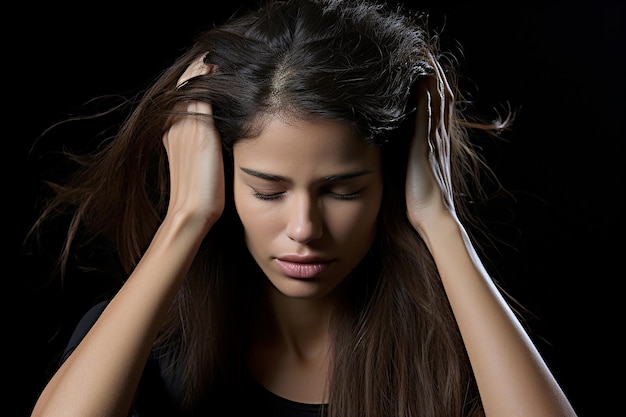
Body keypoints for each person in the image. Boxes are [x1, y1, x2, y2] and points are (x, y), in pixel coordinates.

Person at [27, 0, 578, 416]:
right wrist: (185, 218)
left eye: (343, 190)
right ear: (217, 171)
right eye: (268, 191)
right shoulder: (145, 339)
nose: (304, 229)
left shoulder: (458, 345)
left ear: (392, 179)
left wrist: (439, 217)